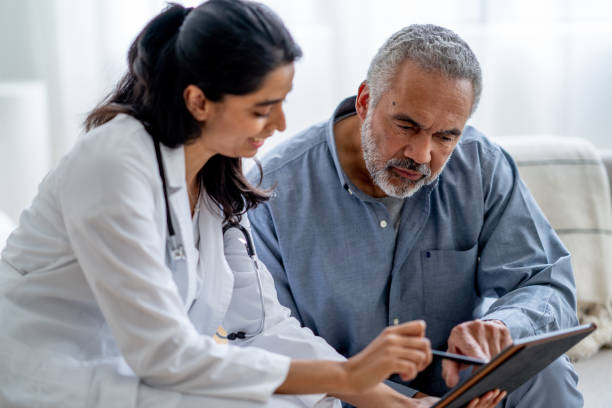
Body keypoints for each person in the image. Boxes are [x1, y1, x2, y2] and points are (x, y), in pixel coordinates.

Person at [0, 3, 480, 408]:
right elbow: (164, 354)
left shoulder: (213, 176)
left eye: (283, 102)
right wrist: (345, 380)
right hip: (52, 380)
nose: (280, 123)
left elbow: (263, 326)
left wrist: (398, 401)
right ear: (199, 102)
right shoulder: (112, 166)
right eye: (261, 108)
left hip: (134, 379)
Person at [247, 24, 583, 407]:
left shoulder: (481, 166)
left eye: (445, 137)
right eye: (407, 126)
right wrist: (403, 400)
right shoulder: (270, 190)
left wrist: (500, 326)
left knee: (546, 370)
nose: (422, 155)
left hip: (467, 389)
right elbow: (274, 343)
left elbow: (545, 282)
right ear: (364, 101)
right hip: (348, 395)